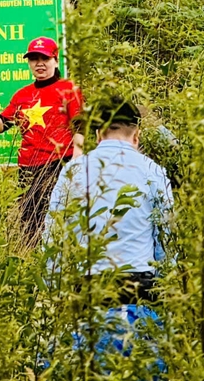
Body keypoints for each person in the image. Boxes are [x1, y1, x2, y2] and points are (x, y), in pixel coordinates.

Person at [44, 96, 172, 304]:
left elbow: (54, 232)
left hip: (87, 283)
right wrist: (166, 285)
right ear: (136, 135)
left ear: (97, 135)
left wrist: (53, 284)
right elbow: (166, 235)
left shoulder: (74, 171)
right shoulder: (153, 170)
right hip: (139, 286)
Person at [0, 38, 84, 246]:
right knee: (30, 222)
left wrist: (77, 157)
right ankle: (30, 263)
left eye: (44, 58)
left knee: (59, 217)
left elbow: (80, 125)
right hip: (28, 167)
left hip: (58, 163)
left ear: (55, 61)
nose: (39, 63)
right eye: (34, 59)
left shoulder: (68, 89)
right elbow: (5, 122)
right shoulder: (23, 95)